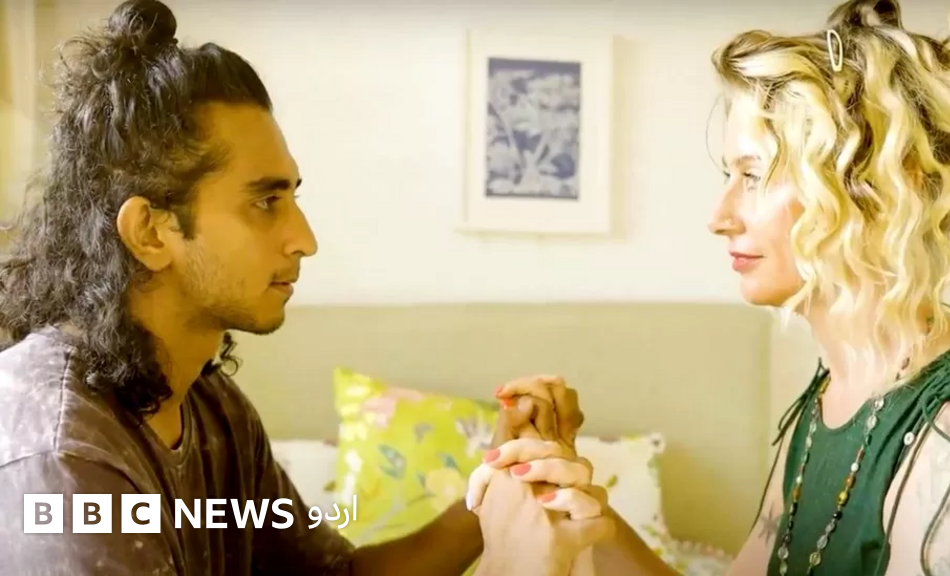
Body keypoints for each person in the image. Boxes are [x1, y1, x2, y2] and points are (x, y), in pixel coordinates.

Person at [0, 1, 612, 574]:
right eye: (265, 201)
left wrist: (498, 488)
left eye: (292, 197)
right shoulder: (64, 459)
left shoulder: (212, 408)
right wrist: (522, 562)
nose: (305, 239)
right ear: (150, 231)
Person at [480, 0, 950, 574]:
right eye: (729, 175)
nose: (719, 217)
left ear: (883, 193)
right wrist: (586, 514)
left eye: (755, 175)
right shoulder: (830, 399)